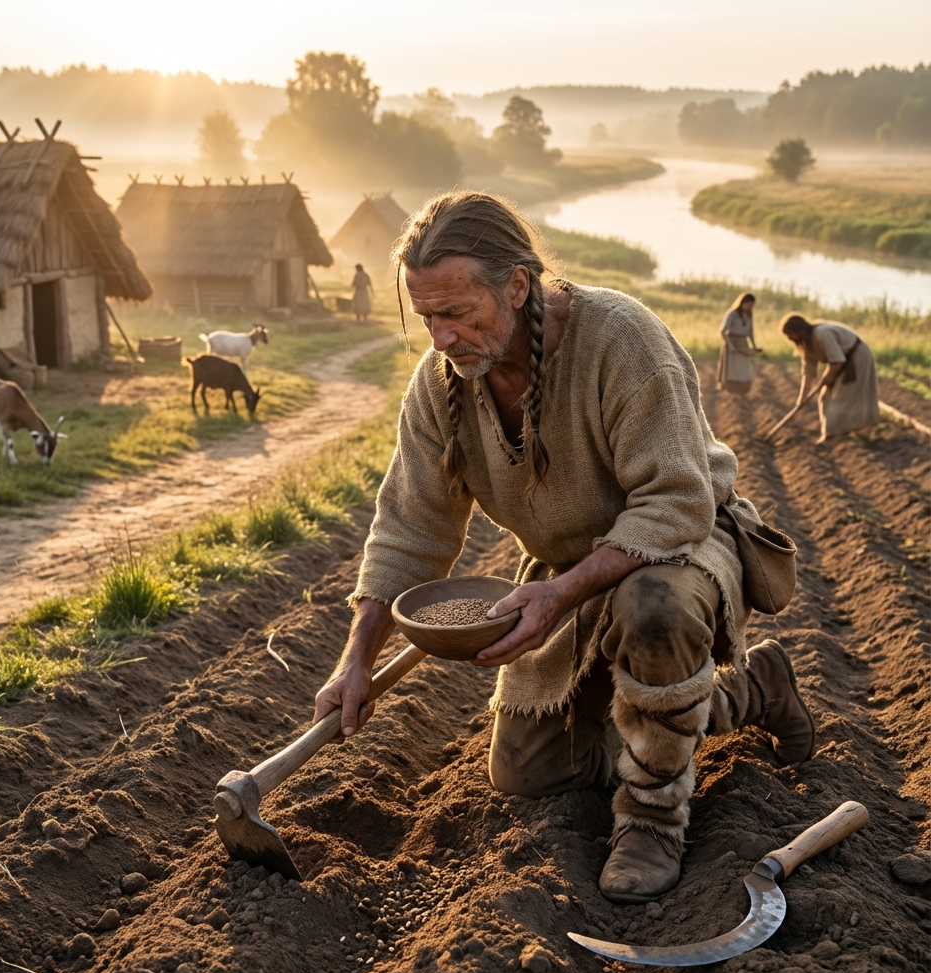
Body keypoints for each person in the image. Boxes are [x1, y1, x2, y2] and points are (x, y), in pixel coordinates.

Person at [314, 192, 815, 904]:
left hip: (679, 549)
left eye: (458, 314)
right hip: (568, 573)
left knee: (654, 609)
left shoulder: (620, 340)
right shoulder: (442, 386)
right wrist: (355, 661)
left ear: (517, 286)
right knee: (530, 774)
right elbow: (409, 528)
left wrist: (558, 595)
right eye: (428, 317)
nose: (441, 338)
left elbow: (677, 502)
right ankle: (749, 691)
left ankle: (652, 820)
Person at [778, 313, 880, 442]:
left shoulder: (821, 334)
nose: (789, 338)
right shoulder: (806, 344)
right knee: (824, 397)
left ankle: (858, 431)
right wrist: (802, 399)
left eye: (790, 334)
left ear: (799, 330)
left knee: (841, 397)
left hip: (857, 358)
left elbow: (837, 361)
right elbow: (808, 372)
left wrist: (824, 379)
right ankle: (831, 434)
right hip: (842, 362)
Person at [716, 291, 760, 394]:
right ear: (743, 303)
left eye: (752, 306)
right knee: (732, 368)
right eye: (749, 305)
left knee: (744, 367)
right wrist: (731, 346)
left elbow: (750, 332)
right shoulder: (732, 313)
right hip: (732, 342)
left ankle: (742, 390)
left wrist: (754, 346)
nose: (750, 308)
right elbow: (723, 331)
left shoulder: (749, 315)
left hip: (743, 343)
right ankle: (729, 390)